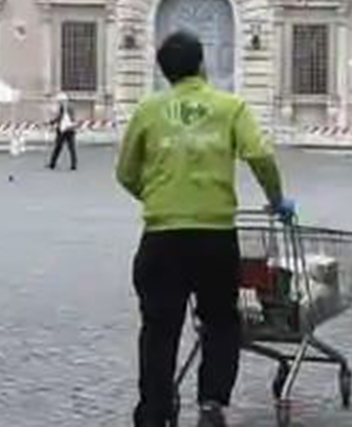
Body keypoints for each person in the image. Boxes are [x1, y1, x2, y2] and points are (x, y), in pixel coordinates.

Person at [117, 31, 294, 427]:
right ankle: (212, 403)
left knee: (159, 329)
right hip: (214, 237)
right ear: (202, 65)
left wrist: (157, 196)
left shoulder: (148, 110)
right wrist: (277, 198)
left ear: (165, 73)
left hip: (161, 237)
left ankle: (154, 412)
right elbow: (260, 154)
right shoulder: (230, 107)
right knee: (220, 322)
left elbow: (125, 172)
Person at [47, 92, 78, 171]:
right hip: (66, 130)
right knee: (65, 148)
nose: (59, 102)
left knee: (65, 148)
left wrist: (53, 122)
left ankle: (72, 165)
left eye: (59, 101)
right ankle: (53, 164)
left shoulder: (68, 107)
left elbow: (67, 118)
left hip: (66, 130)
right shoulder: (65, 107)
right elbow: (60, 117)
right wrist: (52, 122)